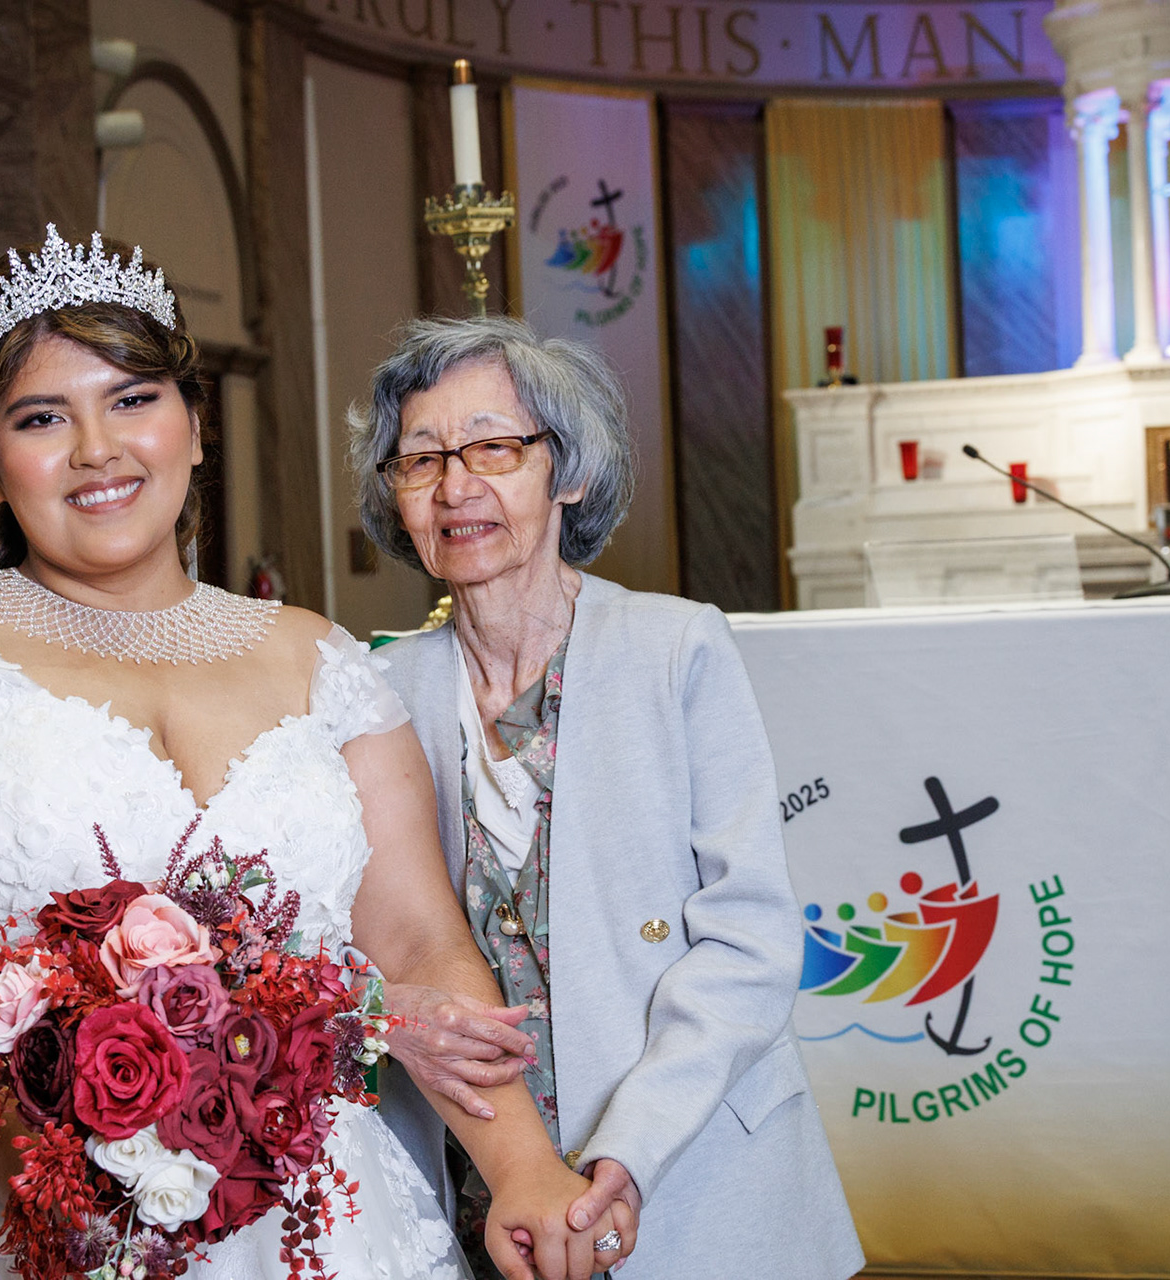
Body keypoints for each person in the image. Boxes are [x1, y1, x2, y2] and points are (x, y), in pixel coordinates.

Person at [0, 229, 622, 1280]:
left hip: (289, 1203)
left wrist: (521, 1166)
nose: (97, 449)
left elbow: (418, 945)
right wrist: (29, 1161)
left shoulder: (321, 662)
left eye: (133, 399)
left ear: (194, 427)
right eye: (42, 418)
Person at [352, 316, 865, 1280]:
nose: (456, 487)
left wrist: (627, 1153)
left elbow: (751, 939)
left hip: (690, 1164)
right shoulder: (375, 689)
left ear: (569, 473)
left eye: (495, 448)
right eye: (420, 460)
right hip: (472, 1187)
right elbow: (348, 936)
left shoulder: (676, 648)